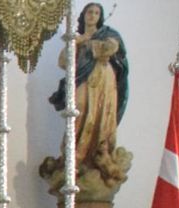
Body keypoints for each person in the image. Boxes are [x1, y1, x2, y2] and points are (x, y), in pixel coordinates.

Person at [48, 2, 129, 175]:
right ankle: (75, 155)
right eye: (89, 12)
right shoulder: (76, 39)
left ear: (100, 17)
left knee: (103, 114)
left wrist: (90, 44)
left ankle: (99, 154)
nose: (92, 15)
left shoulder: (108, 34)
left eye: (96, 13)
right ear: (83, 15)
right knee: (79, 109)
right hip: (83, 79)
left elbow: (112, 48)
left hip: (104, 79)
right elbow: (63, 62)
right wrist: (78, 42)